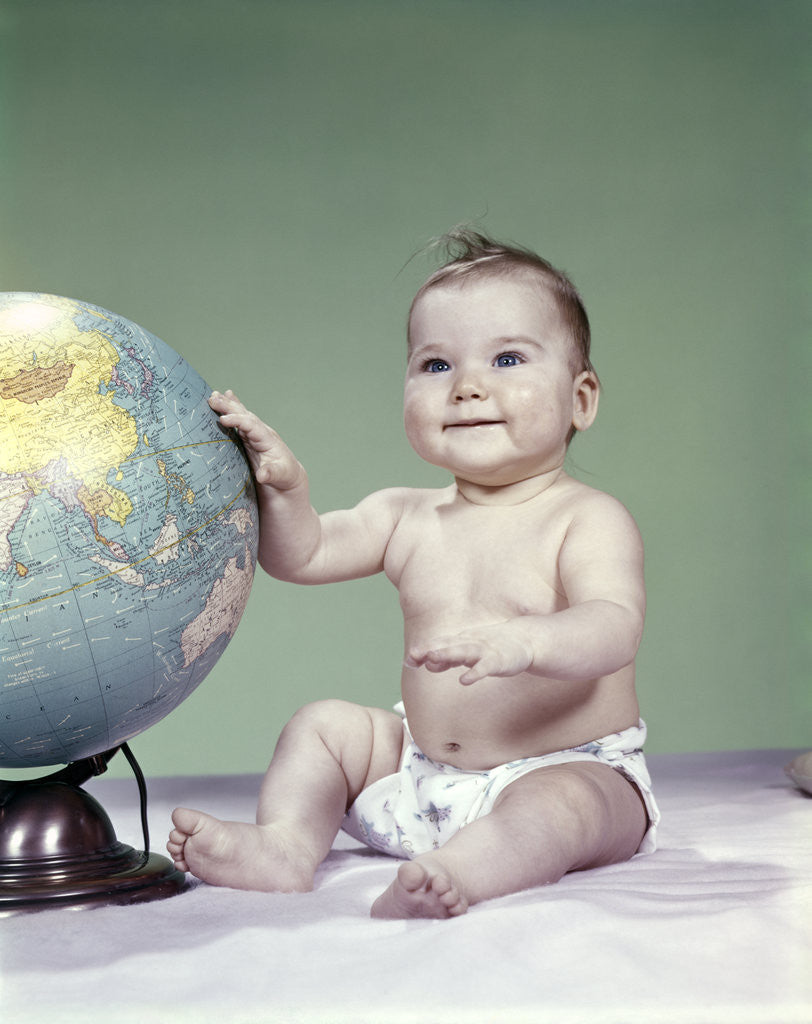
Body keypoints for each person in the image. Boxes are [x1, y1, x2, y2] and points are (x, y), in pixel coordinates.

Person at [167, 229, 660, 919]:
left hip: (566, 762)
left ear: (580, 399)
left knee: (566, 809)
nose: (467, 387)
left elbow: (614, 627)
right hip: (420, 771)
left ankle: (465, 871)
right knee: (324, 726)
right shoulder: (405, 516)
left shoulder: (585, 518)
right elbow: (300, 556)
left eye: (508, 357)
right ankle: (285, 845)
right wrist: (287, 490)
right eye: (435, 365)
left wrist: (525, 644)